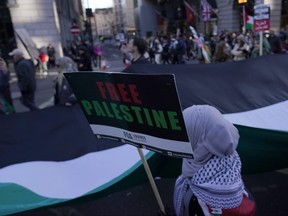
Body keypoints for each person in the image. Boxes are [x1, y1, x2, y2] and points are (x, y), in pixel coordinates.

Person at [174, 105, 256, 216]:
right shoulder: (229, 166)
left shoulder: (204, 199)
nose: (181, 140)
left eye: (188, 134)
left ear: (202, 142)